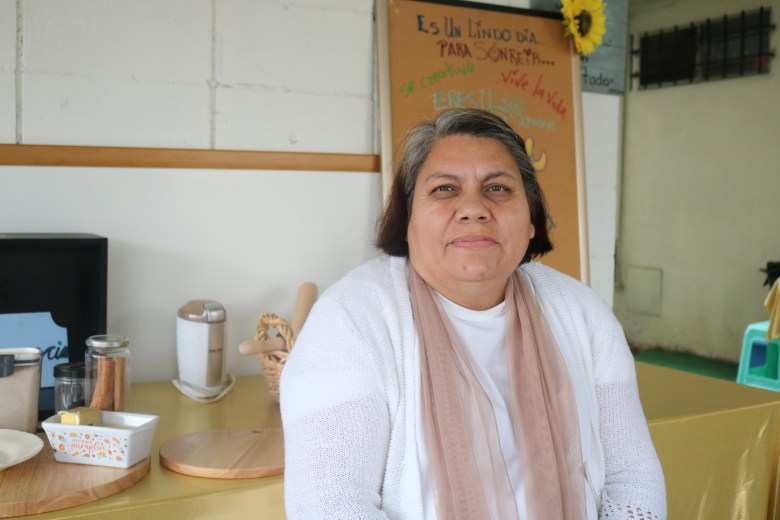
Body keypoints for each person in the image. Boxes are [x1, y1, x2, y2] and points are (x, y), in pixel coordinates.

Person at [280, 108, 666, 519]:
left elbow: (632, 475)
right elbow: (329, 504)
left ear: (532, 219)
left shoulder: (582, 313)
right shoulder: (349, 320)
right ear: (408, 218)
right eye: (445, 189)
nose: (473, 208)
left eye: (498, 189)